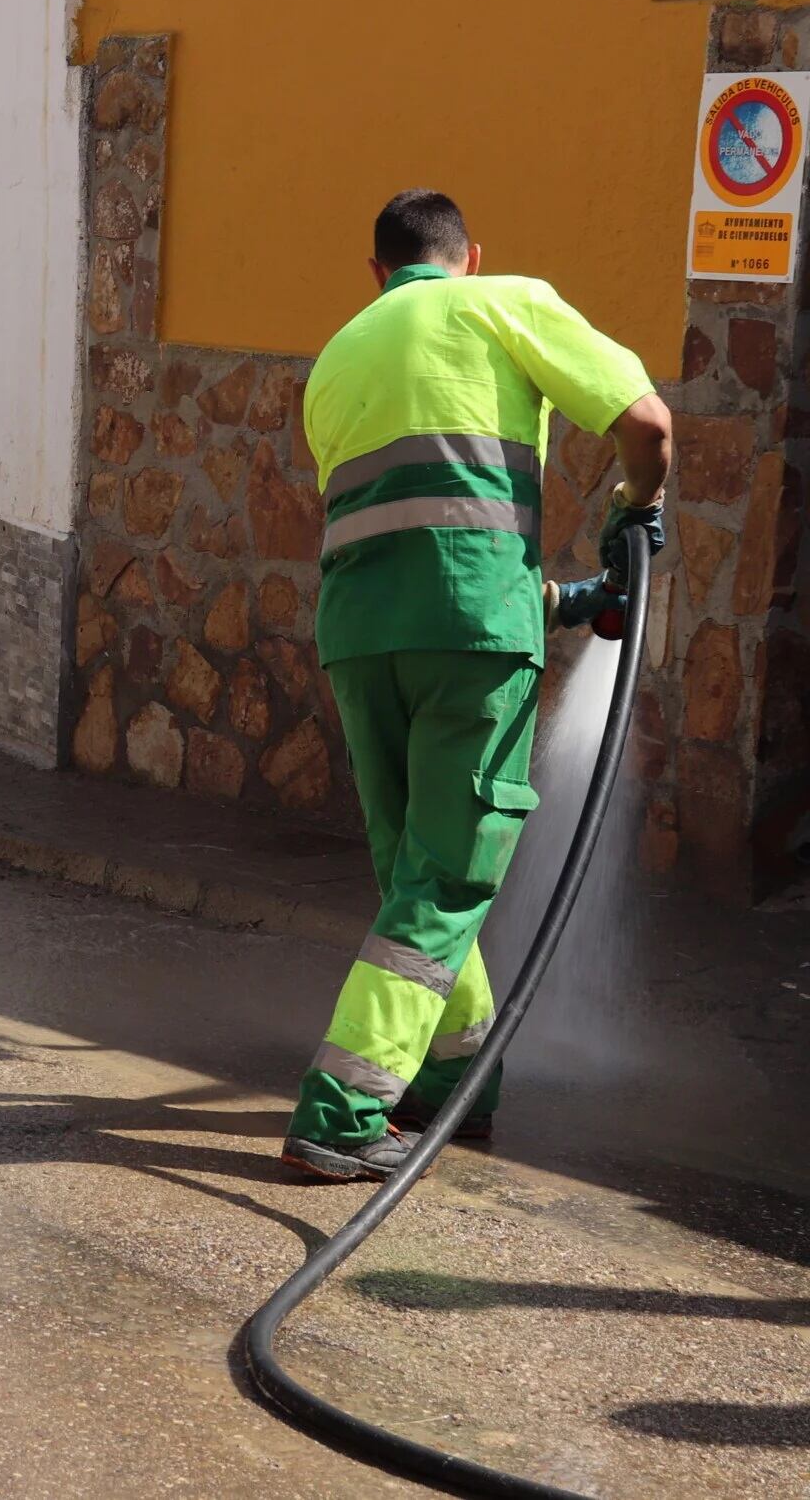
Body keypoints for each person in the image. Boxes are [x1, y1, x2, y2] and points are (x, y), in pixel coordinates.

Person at [281, 190, 672, 1181]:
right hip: (470, 640)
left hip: (360, 640)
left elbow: (421, 535)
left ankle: (454, 1085)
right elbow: (646, 423)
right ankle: (337, 1113)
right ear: (467, 257)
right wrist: (636, 509)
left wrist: (570, 599)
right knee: (446, 881)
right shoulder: (500, 303)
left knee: (417, 874)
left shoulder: (335, 362)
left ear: (377, 275)